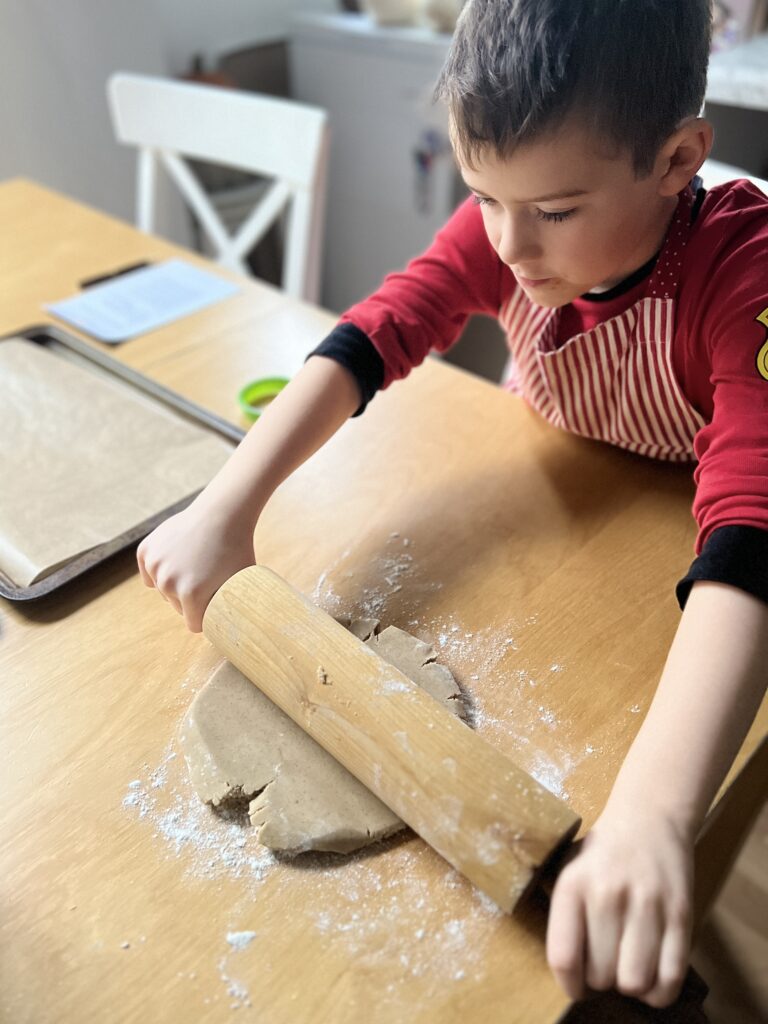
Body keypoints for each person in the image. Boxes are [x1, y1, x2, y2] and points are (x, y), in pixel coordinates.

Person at [138, 0, 768, 1009]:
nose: (509, 243)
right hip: (564, 494)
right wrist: (227, 503)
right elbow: (377, 330)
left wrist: (651, 814)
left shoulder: (743, 272)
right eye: (483, 195)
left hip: (681, 560)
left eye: (555, 211)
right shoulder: (507, 221)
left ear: (678, 158)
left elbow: (750, 526)